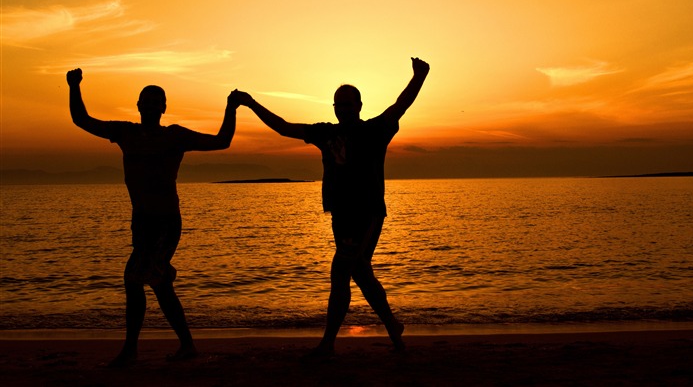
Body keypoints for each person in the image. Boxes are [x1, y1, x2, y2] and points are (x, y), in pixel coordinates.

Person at [233, 57, 430, 356]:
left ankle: (327, 344)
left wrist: (419, 76)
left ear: (360, 106)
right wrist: (250, 103)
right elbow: (284, 128)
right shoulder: (325, 132)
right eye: (338, 104)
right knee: (360, 272)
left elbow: (400, 105)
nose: (343, 109)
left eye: (348, 104)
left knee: (341, 272)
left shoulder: (374, 130)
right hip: (340, 215)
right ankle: (392, 325)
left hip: (367, 213)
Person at [67, 68, 242, 367]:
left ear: (163, 108)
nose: (149, 107)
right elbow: (82, 120)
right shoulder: (126, 132)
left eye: (155, 102)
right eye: (144, 102)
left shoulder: (175, 136)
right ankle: (184, 346)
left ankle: (132, 350)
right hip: (142, 223)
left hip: (165, 223)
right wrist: (74, 86)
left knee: (134, 279)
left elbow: (222, 140)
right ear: (137, 106)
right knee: (158, 284)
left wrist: (230, 108)